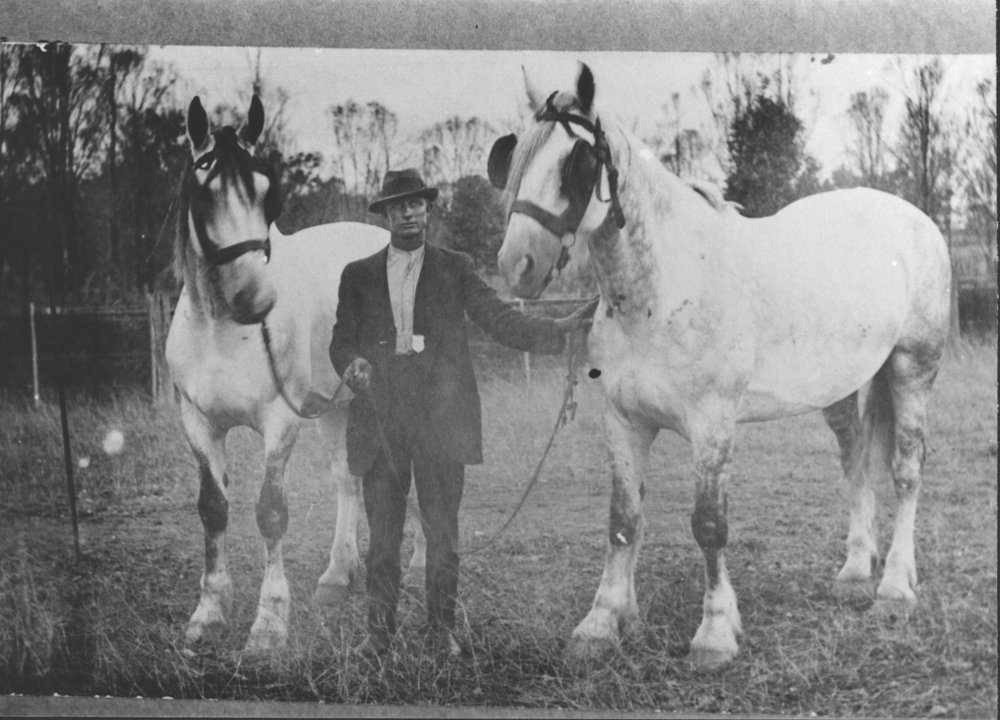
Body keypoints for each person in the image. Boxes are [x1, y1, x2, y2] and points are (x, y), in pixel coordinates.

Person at [329, 168, 595, 660]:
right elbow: (341, 340)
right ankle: (378, 637)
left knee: (442, 537)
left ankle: (440, 631)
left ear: (428, 210)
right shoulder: (357, 275)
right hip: (380, 422)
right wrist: (352, 363)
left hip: (439, 420)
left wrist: (558, 331)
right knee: (382, 542)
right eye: (398, 207)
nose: (409, 214)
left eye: (416, 204)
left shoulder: (455, 268)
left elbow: (499, 318)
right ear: (386, 215)